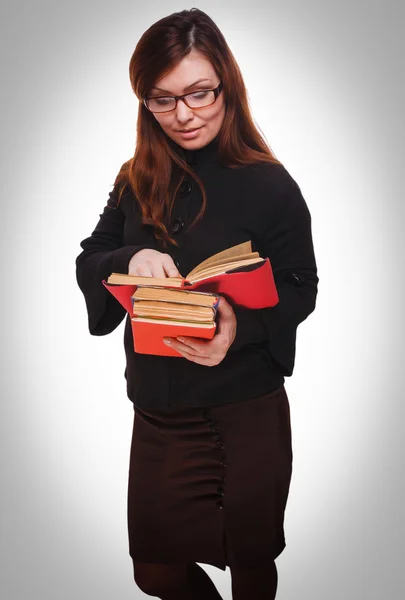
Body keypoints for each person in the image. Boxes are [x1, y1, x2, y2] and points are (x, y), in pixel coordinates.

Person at [75, 8, 319, 600]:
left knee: (251, 565)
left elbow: (301, 286)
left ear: (226, 86)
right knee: (155, 571)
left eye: (198, 93)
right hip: (160, 410)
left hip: (244, 411)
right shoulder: (135, 177)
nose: (182, 114)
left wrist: (237, 325)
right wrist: (128, 259)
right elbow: (91, 257)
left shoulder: (271, 183)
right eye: (161, 100)